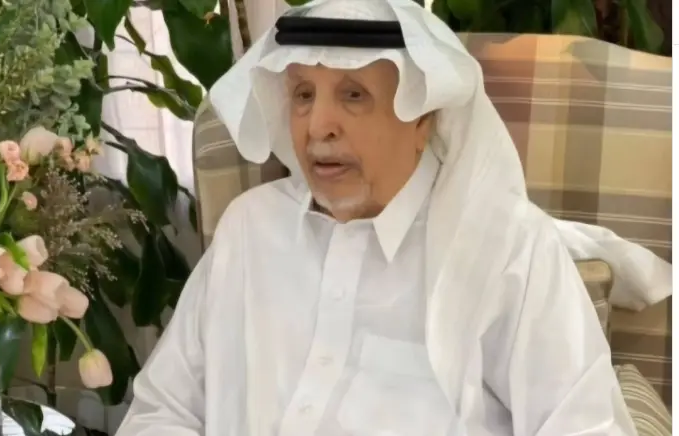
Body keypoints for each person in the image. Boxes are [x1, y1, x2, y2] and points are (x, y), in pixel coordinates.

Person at [116, 0, 640, 434]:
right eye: (303, 95)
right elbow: (162, 411)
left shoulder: (507, 247)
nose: (318, 126)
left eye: (353, 95)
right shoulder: (249, 229)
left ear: (423, 120)